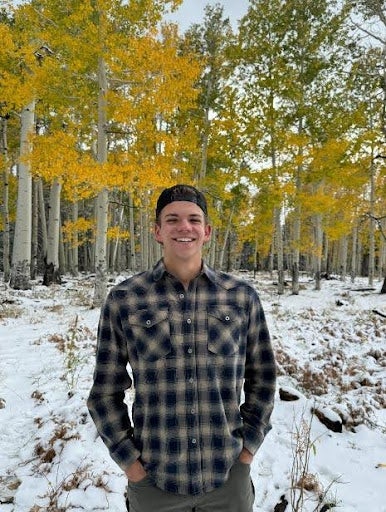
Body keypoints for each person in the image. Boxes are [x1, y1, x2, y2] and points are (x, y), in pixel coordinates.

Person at [87, 184, 276, 512]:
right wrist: (132, 466)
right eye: (172, 220)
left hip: (227, 481)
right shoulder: (125, 300)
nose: (184, 227)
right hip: (155, 483)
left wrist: (246, 453)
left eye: (193, 219)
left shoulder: (241, 297)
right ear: (158, 232)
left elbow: (263, 379)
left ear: (207, 232)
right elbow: (104, 394)